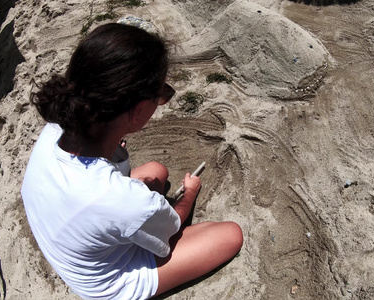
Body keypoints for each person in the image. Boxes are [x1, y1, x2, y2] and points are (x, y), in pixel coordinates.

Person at [21, 23, 243, 299]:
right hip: (108, 283)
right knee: (230, 235)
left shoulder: (59, 126)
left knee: (155, 171)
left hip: (71, 233)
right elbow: (172, 224)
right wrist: (189, 192)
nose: (163, 98)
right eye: (162, 93)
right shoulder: (120, 199)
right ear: (137, 111)